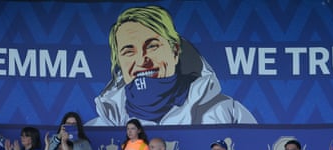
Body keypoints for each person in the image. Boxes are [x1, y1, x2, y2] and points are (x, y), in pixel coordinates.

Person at [87, 6, 256, 126]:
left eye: (152, 46)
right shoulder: (100, 128)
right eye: (129, 51)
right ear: (119, 63)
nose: (141, 60)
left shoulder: (228, 114)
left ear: (175, 51)